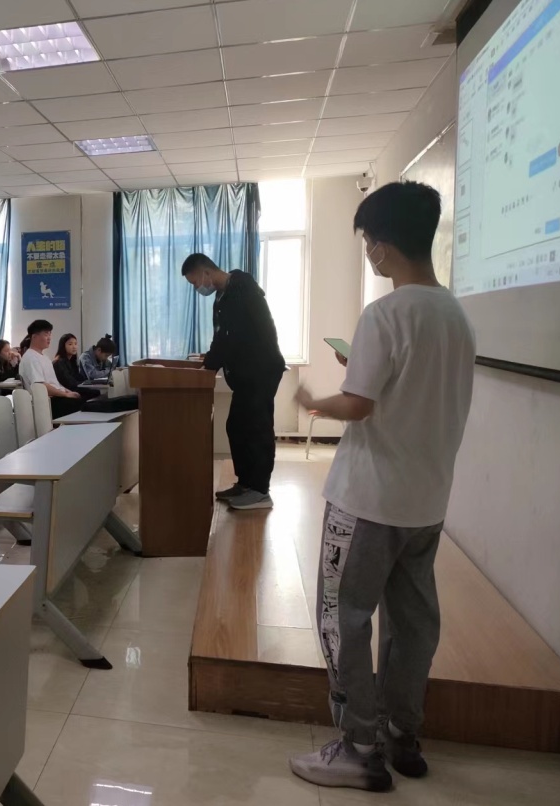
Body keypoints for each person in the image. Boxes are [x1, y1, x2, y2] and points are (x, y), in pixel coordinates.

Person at [288, 182, 476, 793]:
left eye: (368, 239)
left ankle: (358, 747)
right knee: (412, 623)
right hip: (426, 503)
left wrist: (315, 400)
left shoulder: (386, 314)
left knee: (343, 616)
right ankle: (402, 734)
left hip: (367, 500)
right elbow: (410, 390)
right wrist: (361, 375)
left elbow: (360, 406)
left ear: (382, 245)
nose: (368, 251)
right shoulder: (456, 315)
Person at [182, 252, 285, 511]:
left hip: (261, 370)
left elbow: (232, 337)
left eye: (195, 282)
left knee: (256, 428)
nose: (197, 288)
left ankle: (260, 491)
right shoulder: (222, 296)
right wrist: (209, 358)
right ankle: (246, 483)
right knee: (237, 427)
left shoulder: (242, 291)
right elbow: (220, 337)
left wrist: (209, 365)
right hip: (245, 374)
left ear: (206, 272)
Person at [19, 320, 82, 418]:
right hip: (46, 403)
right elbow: (41, 387)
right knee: (82, 404)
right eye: (46, 334)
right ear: (34, 337)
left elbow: (55, 384)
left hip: (56, 398)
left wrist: (68, 392)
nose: (49, 338)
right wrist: (65, 395)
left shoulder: (45, 358)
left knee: (83, 398)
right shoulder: (30, 358)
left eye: (50, 334)